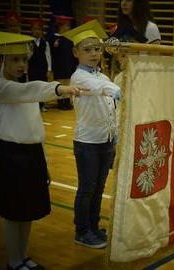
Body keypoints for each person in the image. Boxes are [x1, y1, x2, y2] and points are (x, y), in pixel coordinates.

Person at [0, 29, 84, 270]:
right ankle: (13, 261)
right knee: (12, 212)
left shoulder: (26, 88)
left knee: (27, 210)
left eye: (24, 59)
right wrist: (59, 89)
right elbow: (28, 92)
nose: (21, 65)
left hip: (32, 157)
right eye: (15, 60)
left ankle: (23, 256)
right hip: (11, 156)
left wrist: (45, 164)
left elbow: (35, 129)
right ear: (2, 61)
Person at [62, 19, 121, 249]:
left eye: (97, 48)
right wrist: (119, 90)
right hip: (87, 143)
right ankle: (82, 230)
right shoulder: (79, 78)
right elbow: (103, 90)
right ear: (76, 52)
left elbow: (111, 110)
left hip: (105, 141)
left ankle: (94, 226)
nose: (94, 53)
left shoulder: (102, 76)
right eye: (87, 49)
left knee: (99, 187)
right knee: (87, 187)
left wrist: (114, 137)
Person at [50, 15, 78, 110]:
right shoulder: (54, 38)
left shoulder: (69, 39)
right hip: (59, 66)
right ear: (61, 26)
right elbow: (52, 53)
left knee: (67, 82)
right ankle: (61, 102)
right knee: (60, 83)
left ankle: (67, 101)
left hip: (68, 65)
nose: (68, 28)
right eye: (66, 26)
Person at [27, 18, 53, 112]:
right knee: (33, 87)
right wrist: (30, 50)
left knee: (42, 87)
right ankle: (34, 106)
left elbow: (48, 56)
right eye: (35, 29)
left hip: (42, 68)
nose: (37, 31)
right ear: (31, 30)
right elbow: (27, 57)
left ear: (42, 31)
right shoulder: (28, 42)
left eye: (39, 29)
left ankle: (42, 105)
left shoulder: (45, 43)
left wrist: (49, 69)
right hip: (32, 68)